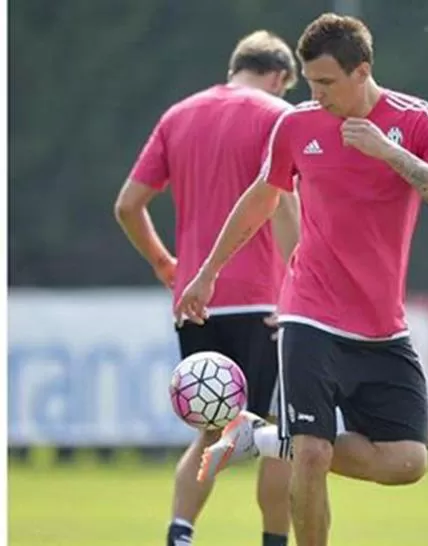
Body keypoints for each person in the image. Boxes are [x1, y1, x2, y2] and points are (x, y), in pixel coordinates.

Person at [174, 12, 428, 546]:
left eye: (327, 83)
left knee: (408, 462)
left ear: (362, 71)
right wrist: (207, 272)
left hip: (383, 326)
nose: (316, 94)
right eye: (310, 82)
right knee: (310, 453)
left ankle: (261, 439)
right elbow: (262, 198)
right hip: (308, 312)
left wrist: (389, 153)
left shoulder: (417, 121)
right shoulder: (296, 125)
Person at [113, 30, 300, 546]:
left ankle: (181, 533)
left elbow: (128, 205)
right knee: (280, 433)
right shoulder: (276, 115)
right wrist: (296, 293)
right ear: (281, 77)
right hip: (265, 300)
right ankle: (273, 541)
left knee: (212, 431)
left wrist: (163, 263)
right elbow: (284, 203)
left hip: (195, 302)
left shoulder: (178, 116)